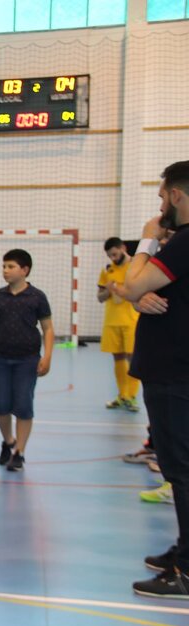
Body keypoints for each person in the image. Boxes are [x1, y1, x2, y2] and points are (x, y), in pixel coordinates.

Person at [118, 160, 189, 599]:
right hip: (172, 370)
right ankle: (183, 549)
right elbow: (139, 291)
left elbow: (129, 283)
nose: (161, 206)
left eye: (163, 197)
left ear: (177, 196)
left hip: (175, 373)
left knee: (181, 471)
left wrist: (147, 237)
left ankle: (186, 568)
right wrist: (143, 295)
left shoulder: (182, 243)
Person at [0, 249, 54, 472]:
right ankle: (8, 441)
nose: (5, 271)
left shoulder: (36, 297)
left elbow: (47, 328)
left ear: (24, 270)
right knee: (1, 403)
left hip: (27, 360)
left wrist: (47, 356)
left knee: (24, 405)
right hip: (0, 358)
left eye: (10, 266)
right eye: (4, 266)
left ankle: (20, 452)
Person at [98, 237, 141, 412]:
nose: (113, 258)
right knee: (117, 358)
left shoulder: (135, 268)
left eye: (115, 254)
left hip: (131, 320)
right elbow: (100, 297)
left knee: (133, 359)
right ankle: (121, 395)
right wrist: (108, 289)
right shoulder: (107, 270)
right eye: (110, 256)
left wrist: (121, 289)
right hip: (112, 321)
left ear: (123, 248)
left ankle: (131, 396)